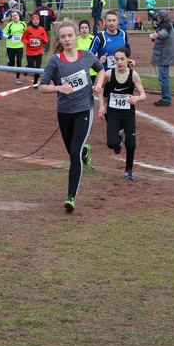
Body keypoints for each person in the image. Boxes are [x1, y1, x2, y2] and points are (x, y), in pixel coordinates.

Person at [38, 20, 103, 213]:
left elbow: (101, 70)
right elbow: (42, 87)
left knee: (74, 152)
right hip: (64, 112)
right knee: (74, 152)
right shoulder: (55, 61)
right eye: (63, 37)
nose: (67, 39)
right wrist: (59, 88)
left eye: (70, 36)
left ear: (76, 36)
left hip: (84, 110)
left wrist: (99, 84)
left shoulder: (87, 56)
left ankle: (70, 197)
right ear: (59, 39)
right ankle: (85, 153)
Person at [97, 46, 146, 181]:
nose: (119, 62)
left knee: (131, 144)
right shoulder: (109, 74)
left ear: (128, 59)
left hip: (128, 113)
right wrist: (101, 105)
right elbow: (99, 87)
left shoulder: (133, 75)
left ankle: (129, 170)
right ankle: (119, 139)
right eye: (117, 59)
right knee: (111, 143)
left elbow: (143, 95)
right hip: (113, 113)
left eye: (122, 59)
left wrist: (136, 98)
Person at [150, 9, 174, 107]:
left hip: (164, 55)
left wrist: (157, 35)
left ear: (159, 17)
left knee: (163, 78)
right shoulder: (167, 24)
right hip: (165, 54)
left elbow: (163, 34)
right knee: (164, 77)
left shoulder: (165, 25)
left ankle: (166, 99)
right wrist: (156, 37)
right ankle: (165, 97)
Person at [23, 14, 49, 86]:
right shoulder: (28, 29)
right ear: (32, 21)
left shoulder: (42, 29)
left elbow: (46, 41)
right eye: (34, 20)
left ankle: (35, 83)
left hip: (39, 52)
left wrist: (42, 38)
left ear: (39, 20)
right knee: (31, 68)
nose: (36, 21)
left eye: (37, 20)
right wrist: (28, 42)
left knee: (38, 68)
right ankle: (27, 67)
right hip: (30, 52)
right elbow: (23, 39)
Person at [2, 10, 27, 85]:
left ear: (18, 16)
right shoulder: (9, 25)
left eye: (16, 15)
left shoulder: (23, 24)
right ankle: (9, 62)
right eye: (13, 16)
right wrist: (7, 36)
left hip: (20, 46)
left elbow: (27, 33)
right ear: (11, 18)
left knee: (19, 62)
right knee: (12, 64)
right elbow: (3, 33)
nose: (15, 17)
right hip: (10, 46)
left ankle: (18, 78)